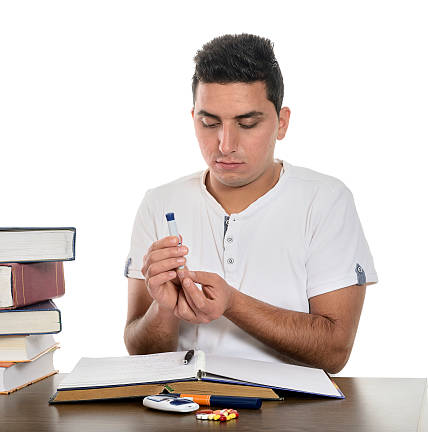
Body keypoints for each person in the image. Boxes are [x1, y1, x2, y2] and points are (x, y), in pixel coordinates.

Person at [123, 34, 377, 373]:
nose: (225, 144)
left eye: (247, 123)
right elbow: (139, 353)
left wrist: (231, 303)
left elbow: (334, 352)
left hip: (291, 415)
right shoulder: (159, 203)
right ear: (193, 116)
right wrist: (164, 308)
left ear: (282, 122)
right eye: (209, 123)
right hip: (185, 410)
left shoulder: (326, 201)